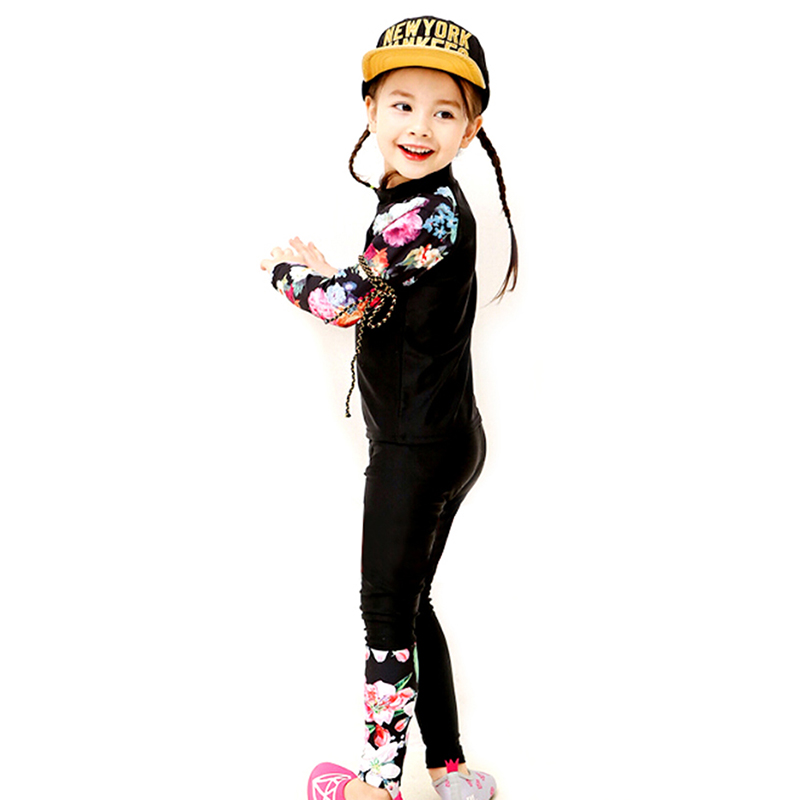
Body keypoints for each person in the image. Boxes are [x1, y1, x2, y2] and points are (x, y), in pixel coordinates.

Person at [260, 16, 517, 800]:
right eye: (402, 104)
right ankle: (449, 769)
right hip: (449, 438)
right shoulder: (420, 206)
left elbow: (344, 304)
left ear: (472, 128)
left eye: (444, 111)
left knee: (384, 616)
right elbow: (376, 290)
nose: (420, 126)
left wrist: (286, 274)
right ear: (370, 108)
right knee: (411, 602)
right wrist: (338, 278)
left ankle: (379, 784)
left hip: (415, 448)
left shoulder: (421, 212)